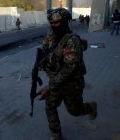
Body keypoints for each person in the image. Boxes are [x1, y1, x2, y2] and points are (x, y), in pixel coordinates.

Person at [38, 8, 97, 140]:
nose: (54, 25)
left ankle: (90, 107)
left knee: (75, 112)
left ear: (65, 22)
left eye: (57, 23)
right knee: (50, 105)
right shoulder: (50, 39)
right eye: (51, 23)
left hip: (72, 84)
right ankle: (56, 135)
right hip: (56, 82)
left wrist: (48, 87)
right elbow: (44, 53)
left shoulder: (72, 41)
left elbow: (68, 71)